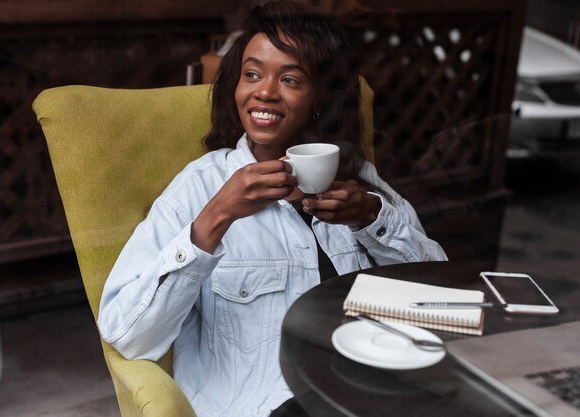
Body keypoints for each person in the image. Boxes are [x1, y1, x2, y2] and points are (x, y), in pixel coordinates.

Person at [97, 1, 447, 416]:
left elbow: (438, 302)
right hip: (266, 404)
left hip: (368, 391)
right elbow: (128, 335)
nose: (264, 90)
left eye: (290, 79)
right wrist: (216, 218)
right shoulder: (201, 187)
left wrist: (373, 218)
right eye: (252, 74)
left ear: (319, 97)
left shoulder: (358, 183)